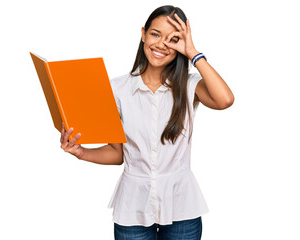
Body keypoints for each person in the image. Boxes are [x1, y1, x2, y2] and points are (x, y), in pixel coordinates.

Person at [60, 5, 234, 240]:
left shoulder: (189, 85)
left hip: (182, 206)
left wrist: (193, 52)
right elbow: (117, 154)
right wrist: (81, 152)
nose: (162, 44)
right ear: (143, 34)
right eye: (155, 34)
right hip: (133, 208)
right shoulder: (117, 89)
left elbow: (225, 100)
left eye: (173, 39)